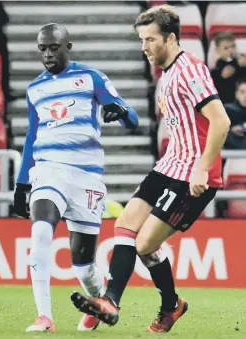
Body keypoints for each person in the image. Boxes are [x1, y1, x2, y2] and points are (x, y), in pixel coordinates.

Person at [71, 5, 231, 333]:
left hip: (192, 175)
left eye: (150, 39)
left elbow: (221, 120)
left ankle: (169, 305)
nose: (144, 47)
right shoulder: (166, 72)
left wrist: (202, 169)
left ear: (171, 38)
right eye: (141, 40)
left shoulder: (190, 70)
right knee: (125, 225)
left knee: (144, 245)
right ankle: (111, 301)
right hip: (169, 165)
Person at [13, 23, 139, 333]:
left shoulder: (90, 78)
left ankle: (98, 300)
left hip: (86, 176)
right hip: (48, 169)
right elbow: (32, 136)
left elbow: (132, 118)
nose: (47, 54)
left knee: (82, 266)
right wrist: (21, 183)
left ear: (68, 47)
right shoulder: (35, 89)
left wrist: (120, 112)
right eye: (42, 48)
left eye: (53, 47)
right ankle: (45, 317)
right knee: (41, 231)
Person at [211, 32, 246, 104]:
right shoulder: (216, 69)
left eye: (233, 46)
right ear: (217, 50)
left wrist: (244, 67)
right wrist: (222, 77)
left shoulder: (241, 61)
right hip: (227, 103)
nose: (231, 50)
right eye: (226, 48)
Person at [224, 78, 246, 149]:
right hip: (231, 154)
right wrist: (231, 130)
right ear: (236, 94)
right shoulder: (227, 110)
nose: (245, 96)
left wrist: (243, 129)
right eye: (242, 92)